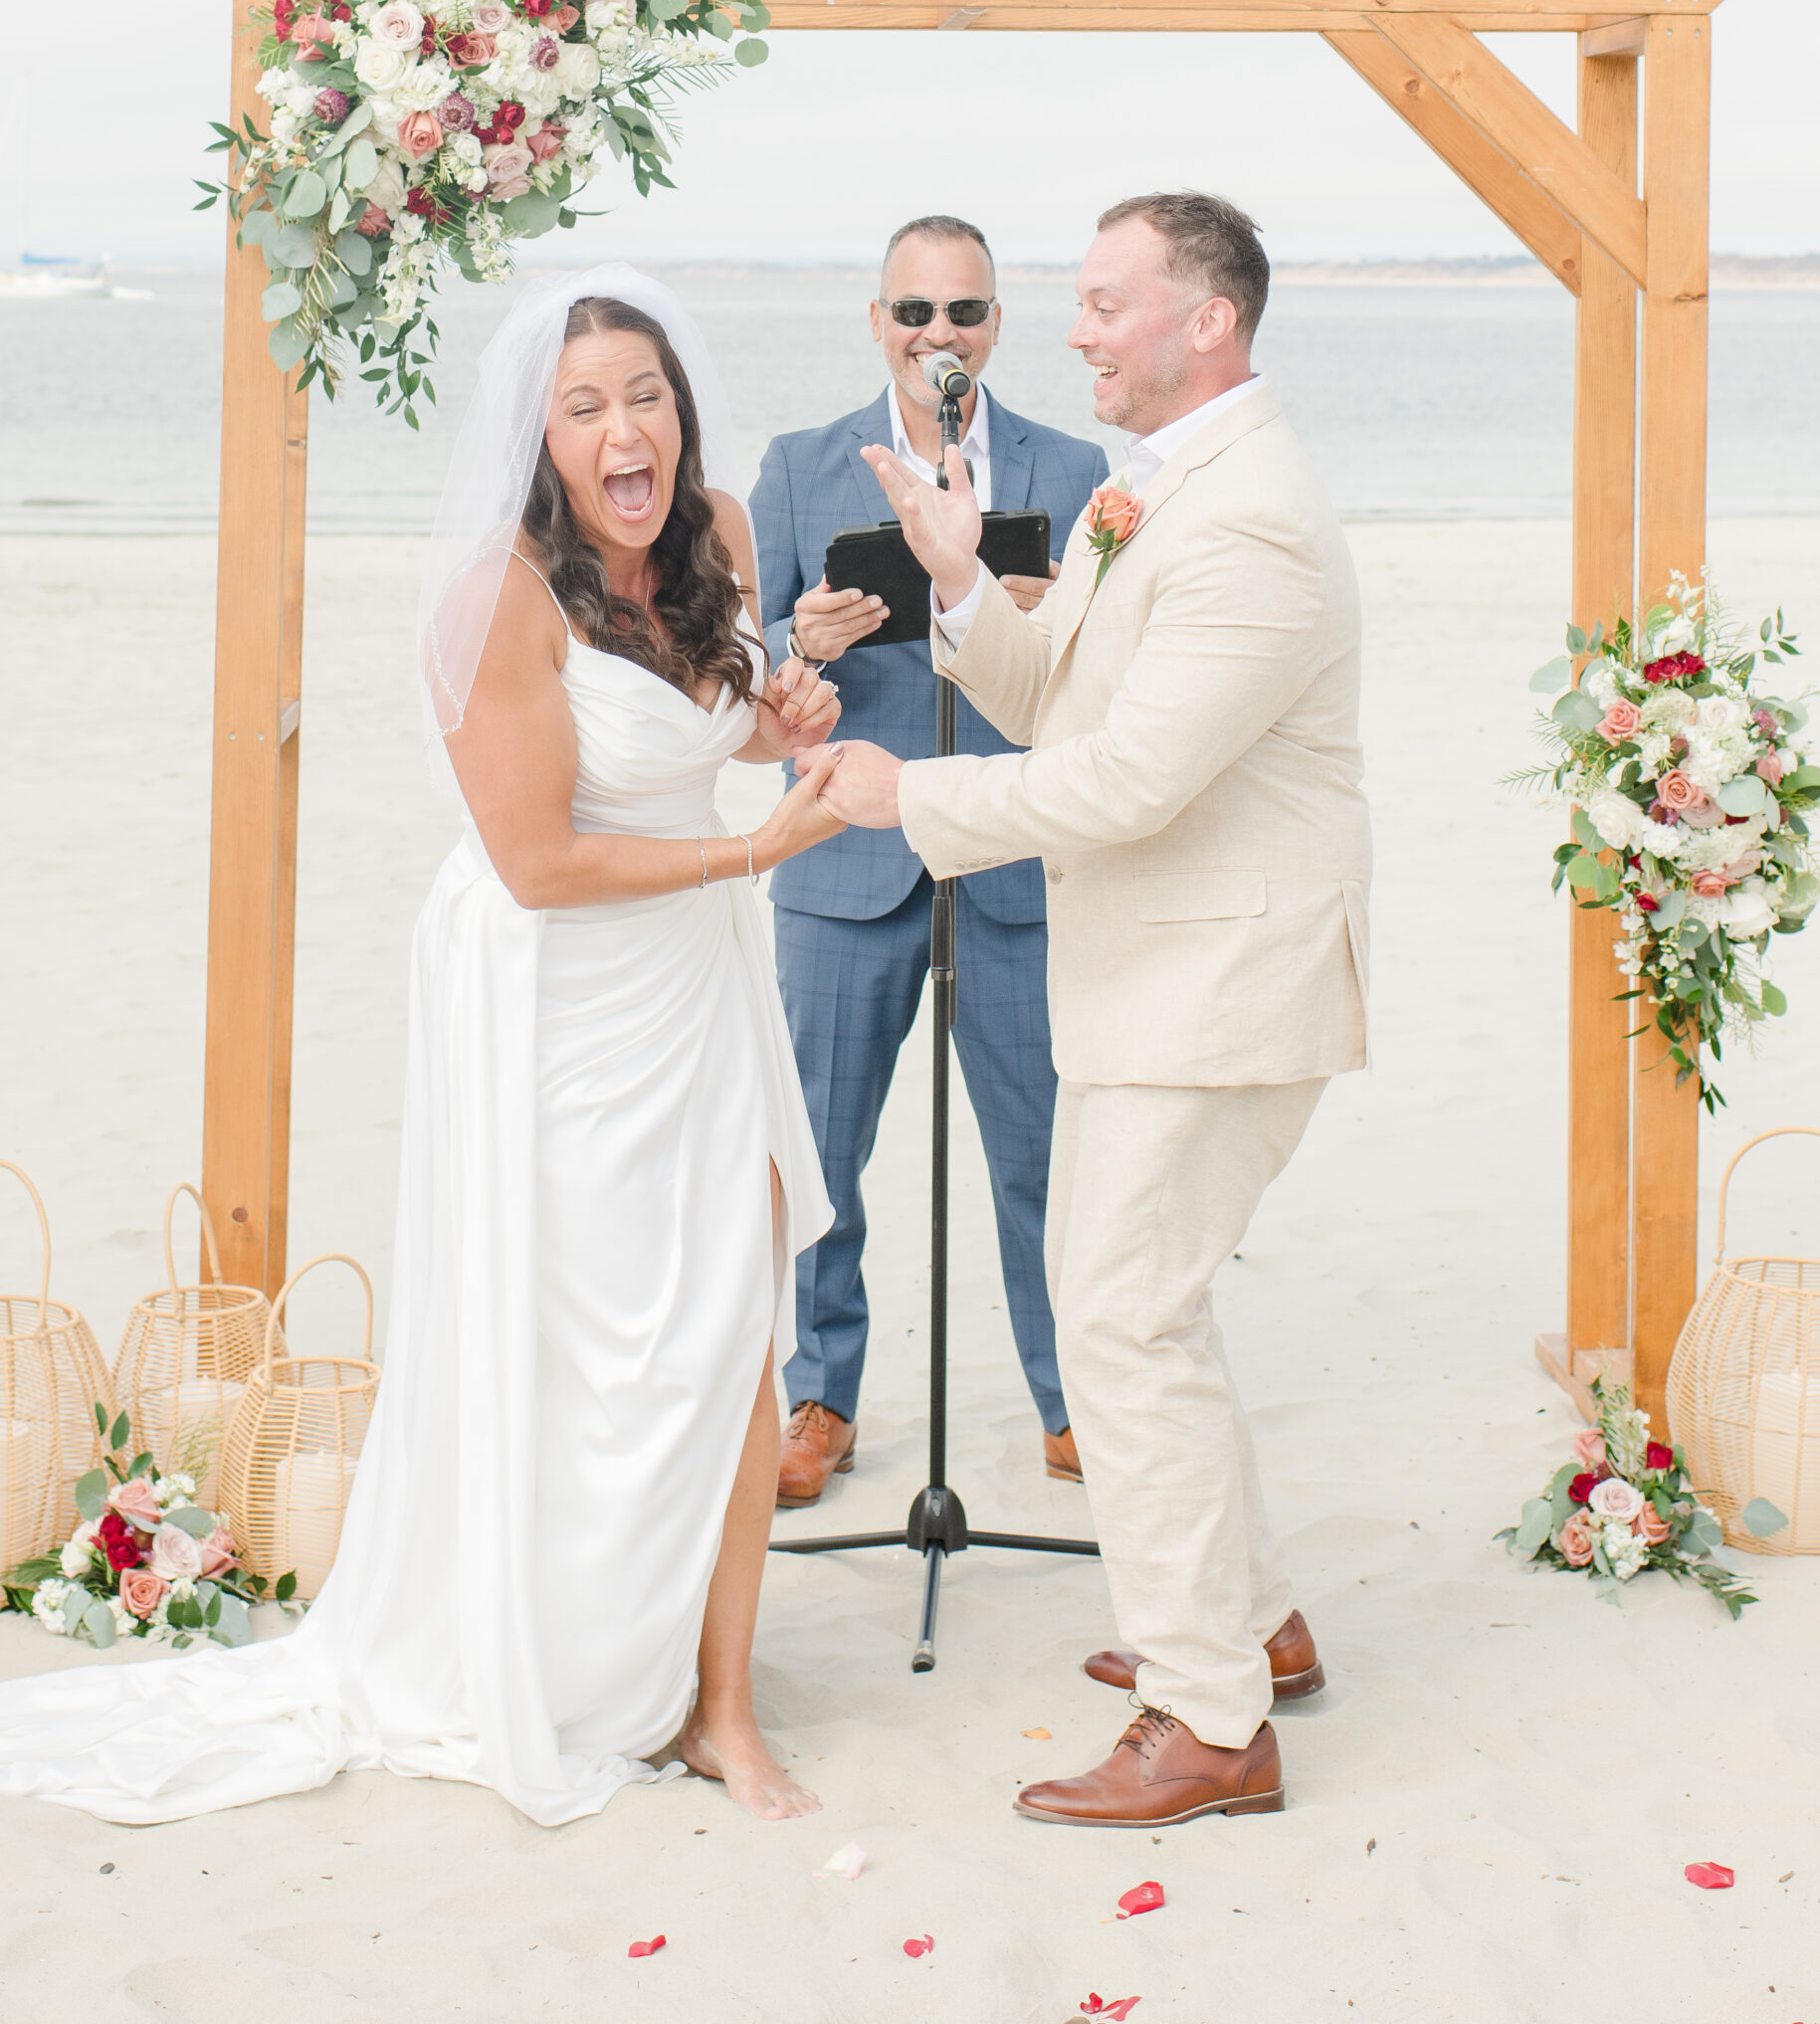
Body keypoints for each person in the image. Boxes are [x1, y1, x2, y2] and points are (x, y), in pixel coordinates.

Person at [0, 264, 847, 1828]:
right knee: (586, 1339)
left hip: (700, 986)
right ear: (539, 434)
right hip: (562, 995)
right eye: (585, 406)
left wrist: (780, 712)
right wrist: (761, 854)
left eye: (645, 395)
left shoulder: (719, 532)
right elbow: (542, 863)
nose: (625, 430)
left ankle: (720, 1704)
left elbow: (714, 728)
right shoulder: (494, 598)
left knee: (735, 1325)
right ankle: (569, 1649)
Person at [810, 193, 1370, 1826]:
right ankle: (1247, 1625)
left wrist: (894, 795)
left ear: (1207, 319)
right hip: (1162, 976)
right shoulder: (1160, 491)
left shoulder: (1249, 515)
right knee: (1147, 1309)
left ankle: (1209, 1723)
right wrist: (958, 580)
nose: (1073, 330)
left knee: (1118, 1317)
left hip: (1223, 980)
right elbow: (1065, 691)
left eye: (1107, 303)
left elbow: (1121, 782)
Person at [750, 215, 1108, 1505]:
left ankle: (1072, 1401)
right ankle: (817, 1396)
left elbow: (1116, 678)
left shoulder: (1074, 467)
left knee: (1039, 1154)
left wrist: (1047, 620)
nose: (936, 336)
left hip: (1014, 856)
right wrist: (802, 635)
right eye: (913, 313)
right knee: (819, 1155)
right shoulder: (796, 467)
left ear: (995, 327)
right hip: (849, 858)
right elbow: (743, 678)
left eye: (961, 313)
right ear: (877, 324)